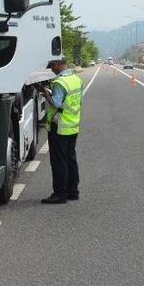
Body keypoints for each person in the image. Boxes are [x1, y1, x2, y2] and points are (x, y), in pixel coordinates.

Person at [37, 59, 84, 204]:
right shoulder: (76, 79)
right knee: (71, 159)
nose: (51, 69)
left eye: (52, 66)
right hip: (73, 124)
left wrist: (46, 94)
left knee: (59, 162)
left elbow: (57, 103)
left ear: (58, 65)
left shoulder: (59, 83)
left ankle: (60, 194)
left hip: (60, 126)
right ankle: (73, 192)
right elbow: (73, 100)